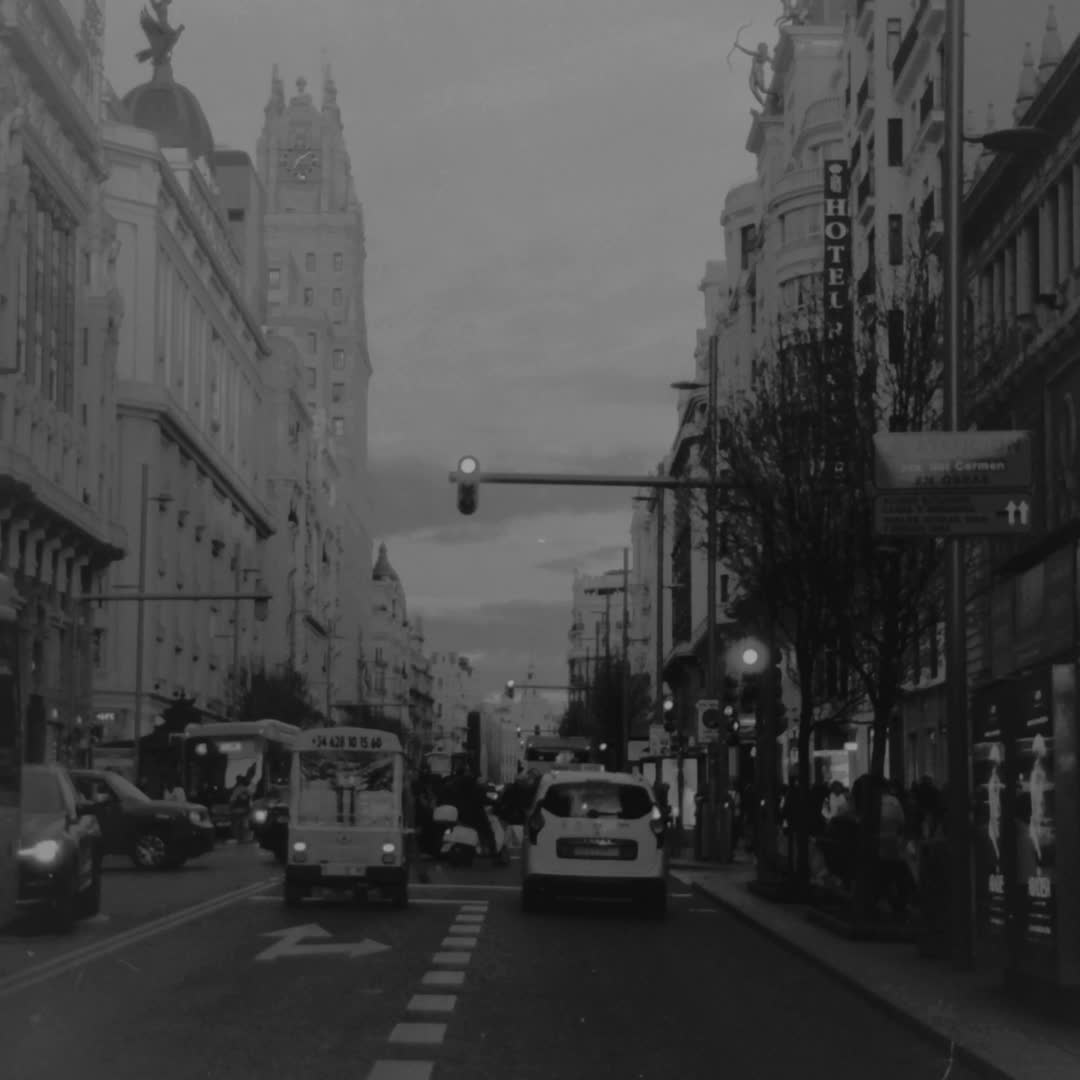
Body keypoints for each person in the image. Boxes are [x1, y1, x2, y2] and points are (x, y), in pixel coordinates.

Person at [229, 774, 253, 843]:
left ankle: (239, 839)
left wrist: (230, 808)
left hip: (236, 810)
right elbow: (250, 801)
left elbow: (232, 800)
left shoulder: (237, 789)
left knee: (236, 825)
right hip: (246, 810)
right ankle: (245, 838)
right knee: (245, 824)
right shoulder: (248, 790)